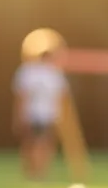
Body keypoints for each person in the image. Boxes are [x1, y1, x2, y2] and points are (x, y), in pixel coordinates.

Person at [12, 49, 68, 180]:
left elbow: (21, 96)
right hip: (45, 115)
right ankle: (38, 172)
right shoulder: (54, 74)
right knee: (41, 144)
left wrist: (18, 115)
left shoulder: (29, 72)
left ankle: (34, 172)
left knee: (33, 143)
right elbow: (60, 97)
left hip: (33, 114)